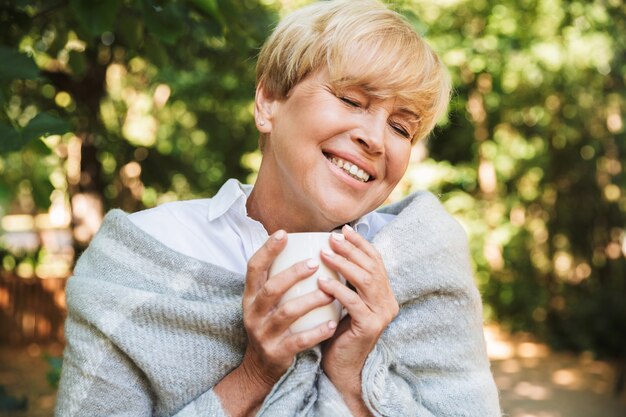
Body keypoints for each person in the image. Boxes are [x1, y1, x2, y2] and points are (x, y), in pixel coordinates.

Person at [55, 0, 501, 416]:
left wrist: (350, 375)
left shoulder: (424, 261)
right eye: (351, 100)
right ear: (268, 102)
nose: (376, 139)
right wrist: (256, 374)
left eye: (401, 127)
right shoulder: (141, 254)